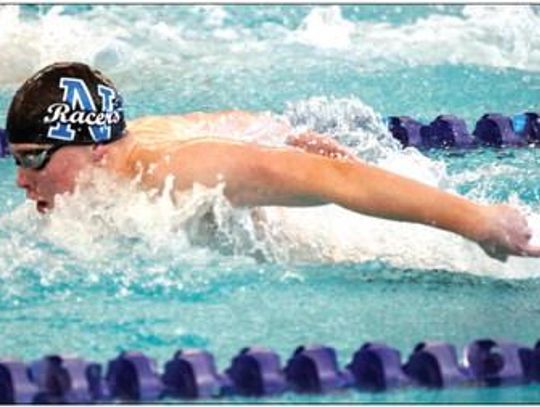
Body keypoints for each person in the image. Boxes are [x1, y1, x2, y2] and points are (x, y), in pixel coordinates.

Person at [4, 62, 540, 262]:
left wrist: (477, 222)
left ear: (94, 145)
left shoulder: (170, 174)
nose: (23, 180)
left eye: (34, 159)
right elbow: (231, 118)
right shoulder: (134, 140)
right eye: (18, 161)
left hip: (336, 238)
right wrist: (294, 134)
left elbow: (332, 180)